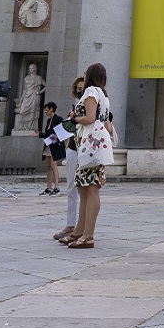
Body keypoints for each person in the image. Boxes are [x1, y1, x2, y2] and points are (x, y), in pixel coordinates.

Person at [64, 63, 112, 249]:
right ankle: (79, 230)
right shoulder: (104, 96)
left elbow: (90, 118)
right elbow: (107, 125)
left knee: (90, 188)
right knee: (84, 188)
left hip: (89, 147)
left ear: (89, 75)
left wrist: (74, 118)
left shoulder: (91, 91)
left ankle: (88, 235)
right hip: (93, 147)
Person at [54, 76, 85, 242]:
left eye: (83, 88)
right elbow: (67, 128)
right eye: (78, 88)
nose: (80, 91)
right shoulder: (76, 107)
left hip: (87, 149)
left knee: (86, 189)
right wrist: (49, 140)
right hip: (73, 148)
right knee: (71, 187)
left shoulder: (92, 103)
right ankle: (71, 224)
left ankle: (84, 226)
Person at [39, 101, 65, 195]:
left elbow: (61, 134)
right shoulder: (48, 121)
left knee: (54, 166)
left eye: (46, 110)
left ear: (51, 109)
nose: (45, 112)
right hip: (48, 146)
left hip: (55, 146)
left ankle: (56, 186)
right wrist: (39, 134)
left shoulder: (58, 119)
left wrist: (52, 139)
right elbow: (47, 134)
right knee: (48, 167)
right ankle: (48, 187)